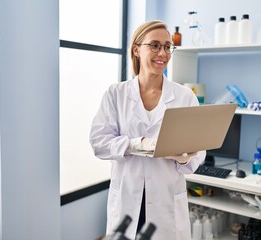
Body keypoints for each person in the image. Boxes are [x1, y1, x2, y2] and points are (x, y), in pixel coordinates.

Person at [89, 20, 206, 240]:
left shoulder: (184, 97)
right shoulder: (116, 94)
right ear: (136, 49)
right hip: (127, 200)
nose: (162, 53)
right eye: (154, 45)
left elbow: (198, 153)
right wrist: (137, 144)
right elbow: (98, 142)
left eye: (167, 46)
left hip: (166, 203)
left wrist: (182, 158)